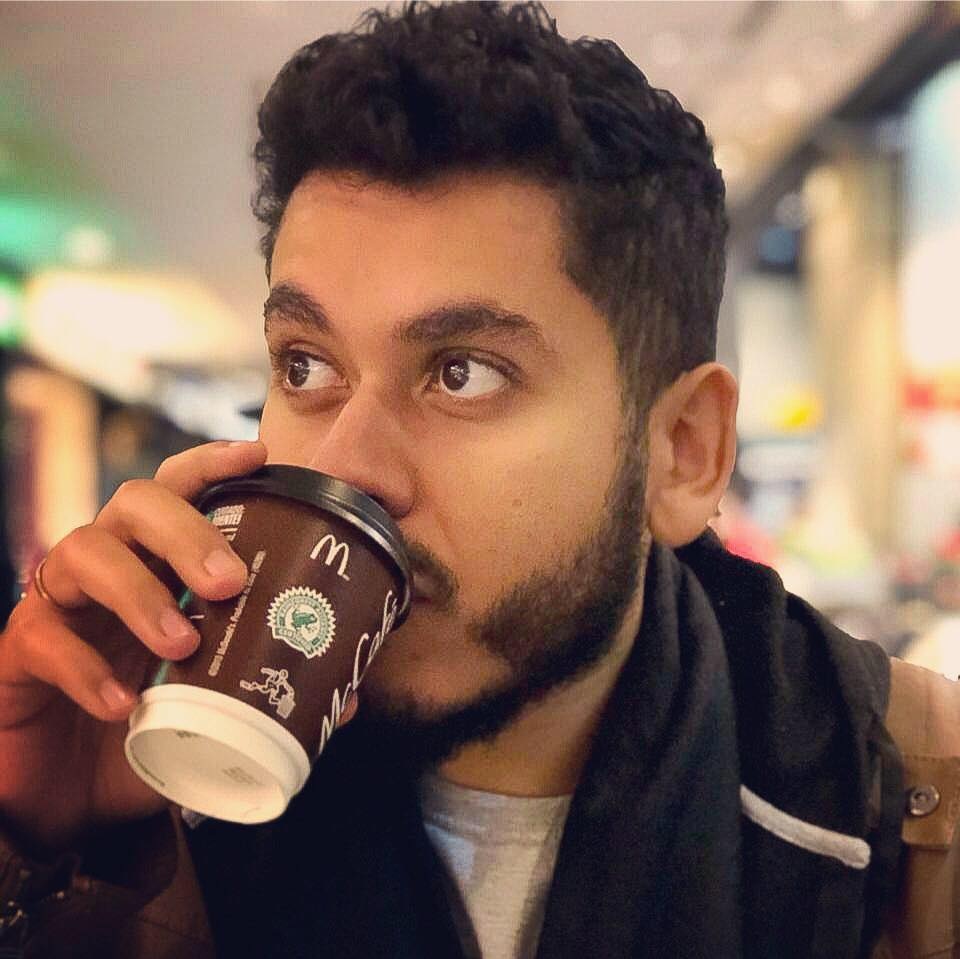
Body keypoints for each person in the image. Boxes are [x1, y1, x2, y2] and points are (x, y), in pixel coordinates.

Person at [0, 4, 956, 957]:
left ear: (682, 451)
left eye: (463, 373)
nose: (340, 466)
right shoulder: (162, 780)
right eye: (304, 364)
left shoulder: (912, 806)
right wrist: (39, 851)